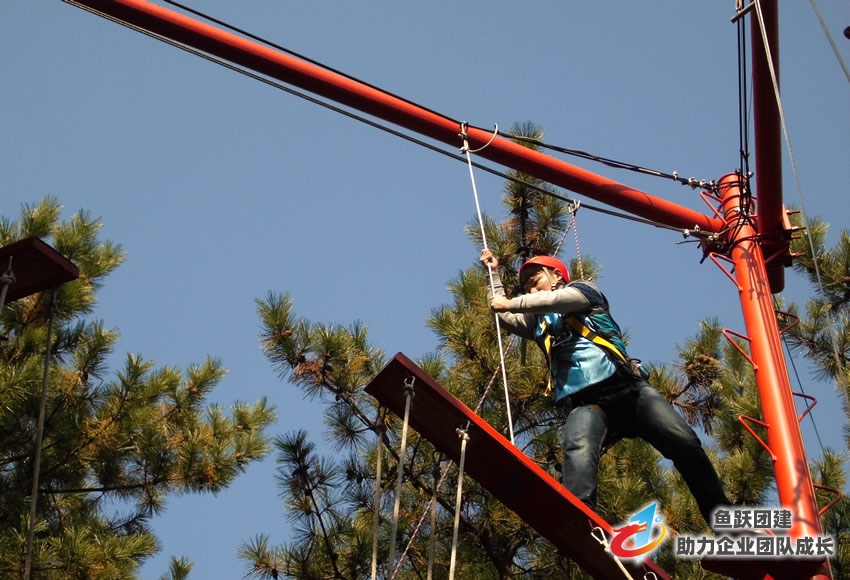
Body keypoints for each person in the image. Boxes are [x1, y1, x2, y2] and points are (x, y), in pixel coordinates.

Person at [480, 249, 730, 526]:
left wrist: (511, 302)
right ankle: (581, 517)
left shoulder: (583, 291)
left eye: (535, 278)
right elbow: (502, 312)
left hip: (628, 391)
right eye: (525, 284)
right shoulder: (537, 321)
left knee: (684, 443)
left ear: (557, 276)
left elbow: (552, 300)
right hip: (588, 403)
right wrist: (494, 274)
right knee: (578, 449)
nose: (529, 286)